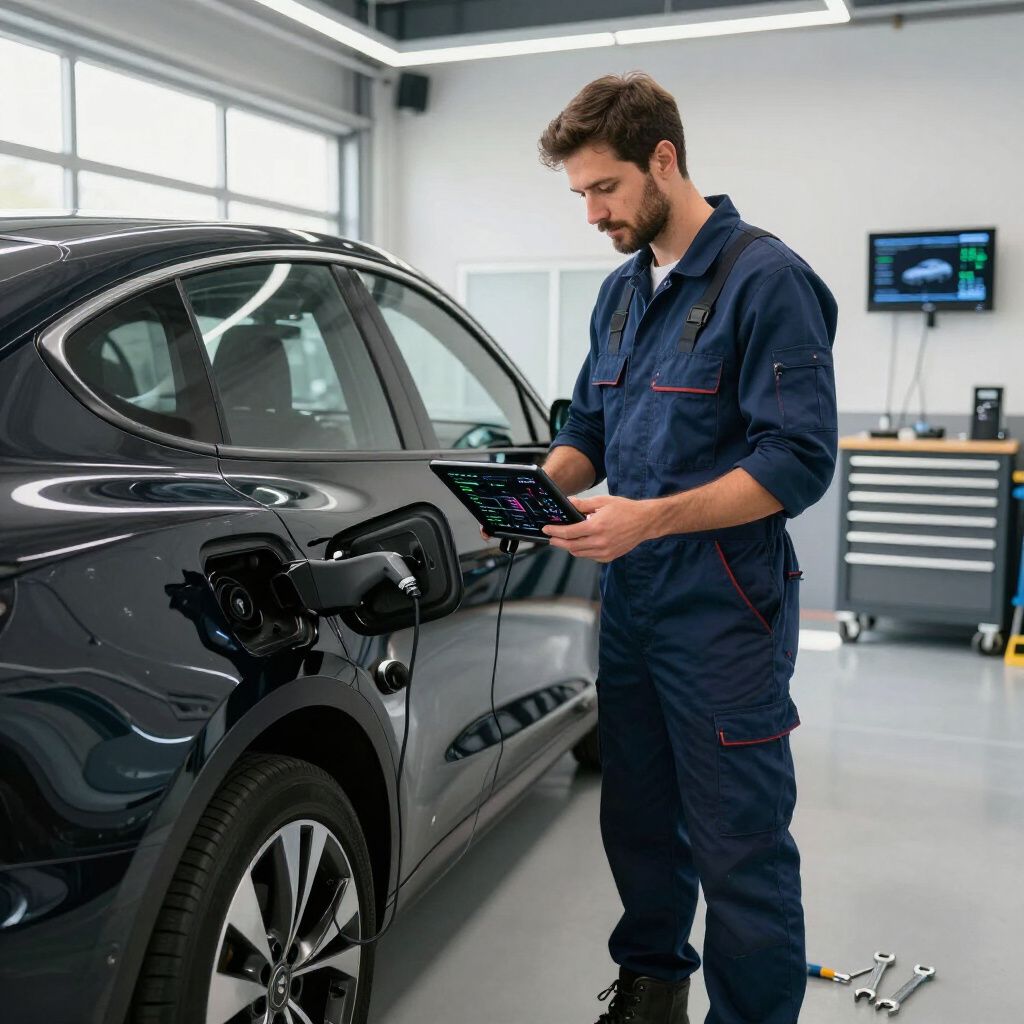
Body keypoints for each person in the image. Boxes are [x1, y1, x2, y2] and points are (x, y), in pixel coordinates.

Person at [535, 73, 839, 1024]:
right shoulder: (623, 294)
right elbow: (589, 427)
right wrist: (524, 486)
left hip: (725, 610)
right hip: (633, 605)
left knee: (738, 840)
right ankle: (654, 986)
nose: (592, 212)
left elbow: (797, 461)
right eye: (580, 193)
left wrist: (648, 518)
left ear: (663, 159)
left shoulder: (766, 279)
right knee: (638, 819)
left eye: (606, 188)